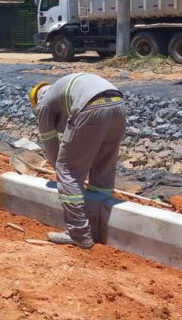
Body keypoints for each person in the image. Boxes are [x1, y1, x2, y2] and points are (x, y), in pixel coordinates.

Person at [29, 73, 126, 249]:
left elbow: (50, 144)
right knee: (103, 165)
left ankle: (79, 234)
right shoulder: (60, 88)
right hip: (118, 103)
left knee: (67, 170)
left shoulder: (43, 104)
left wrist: (59, 168)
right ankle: (98, 225)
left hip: (90, 106)